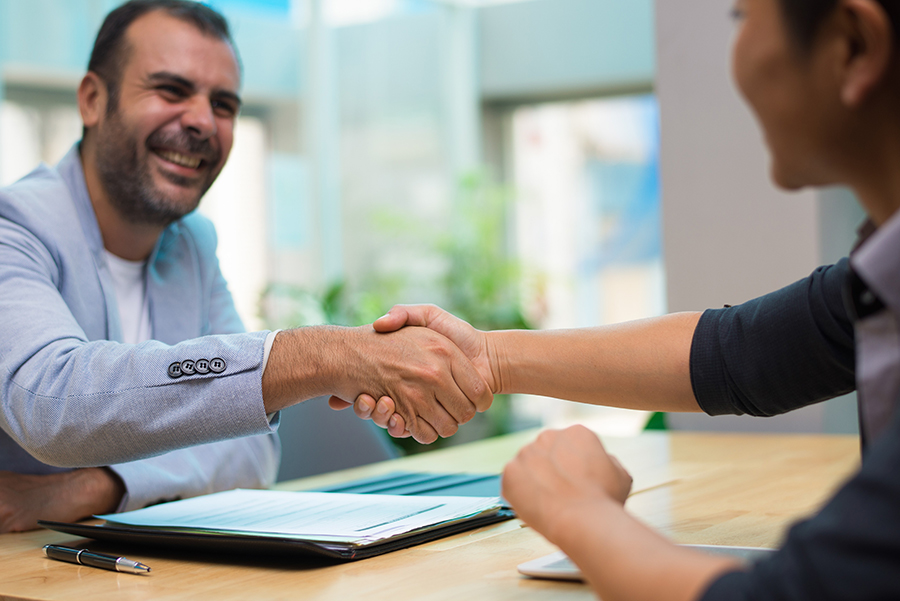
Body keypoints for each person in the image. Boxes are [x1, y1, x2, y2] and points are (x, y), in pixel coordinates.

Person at [345, 0, 900, 598]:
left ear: (853, 46)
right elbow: (738, 353)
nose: (734, 58)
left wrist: (578, 511)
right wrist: (488, 358)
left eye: (741, 18)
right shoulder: (880, 279)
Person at [0, 0, 491, 534]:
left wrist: (95, 486)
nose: (202, 121)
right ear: (93, 100)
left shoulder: (191, 242)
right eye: (170, 90)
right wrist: (320, 355)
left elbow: (252, 451)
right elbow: (52, 403)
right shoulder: (15, 226)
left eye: (224, 104)